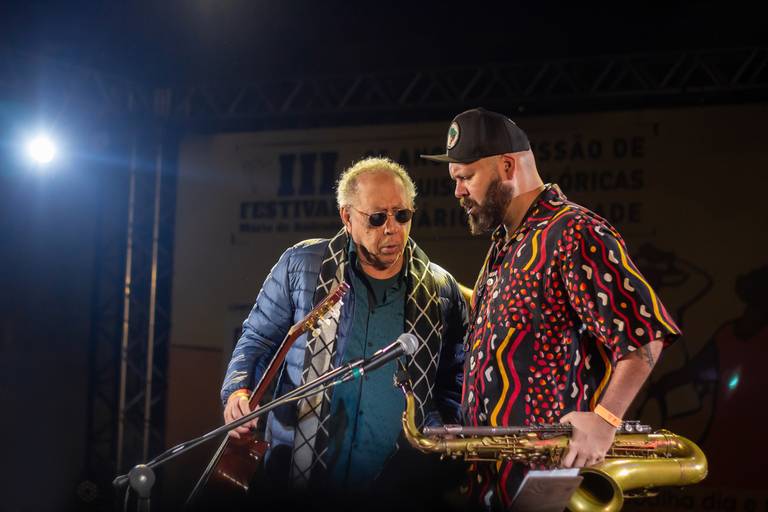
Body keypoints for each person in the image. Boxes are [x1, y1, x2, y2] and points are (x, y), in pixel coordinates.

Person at [421, 108, 682, 509]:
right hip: (495, 485)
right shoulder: (506, 243)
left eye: (465, 177)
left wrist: (605, 421)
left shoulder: (573, 231)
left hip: (546, 483)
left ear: (507, 166)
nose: (457, 191)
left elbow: (644, 334)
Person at [220, 156, 467, 508]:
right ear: (347, 217)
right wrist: (237, 393)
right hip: (298, 485)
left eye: (402, 215)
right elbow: (258, 339)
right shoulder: (300, 265)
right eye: (377, 218)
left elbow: (455, 376)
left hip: (401, 491)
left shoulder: (442, 289)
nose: (392, 228)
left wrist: (444, 428)